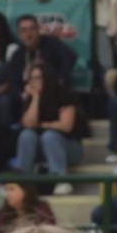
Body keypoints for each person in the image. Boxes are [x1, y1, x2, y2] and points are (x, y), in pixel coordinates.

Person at [15, 64, 84, 196]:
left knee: (50, 136)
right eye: (31, 79)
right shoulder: (30, 97)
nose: (34, 82)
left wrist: (44, 125)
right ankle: (24, 182)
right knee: (26, 135)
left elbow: (66, 126)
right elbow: (29, 124)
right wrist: (35, 98)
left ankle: (60, 180)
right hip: (41, 147)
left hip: (69, 147)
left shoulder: (63, 93)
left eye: (38, 78)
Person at [5, 13, 77, 100]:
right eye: (23, 30)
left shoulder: (51, 43)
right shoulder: (18, 55)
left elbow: (70, 56)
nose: (28, 34)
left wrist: (60, 79)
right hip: (29, 95)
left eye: (32, 29)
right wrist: (22, 95)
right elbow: (13, 82)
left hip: (53, 92)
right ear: (19, 34)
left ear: (38, 30)